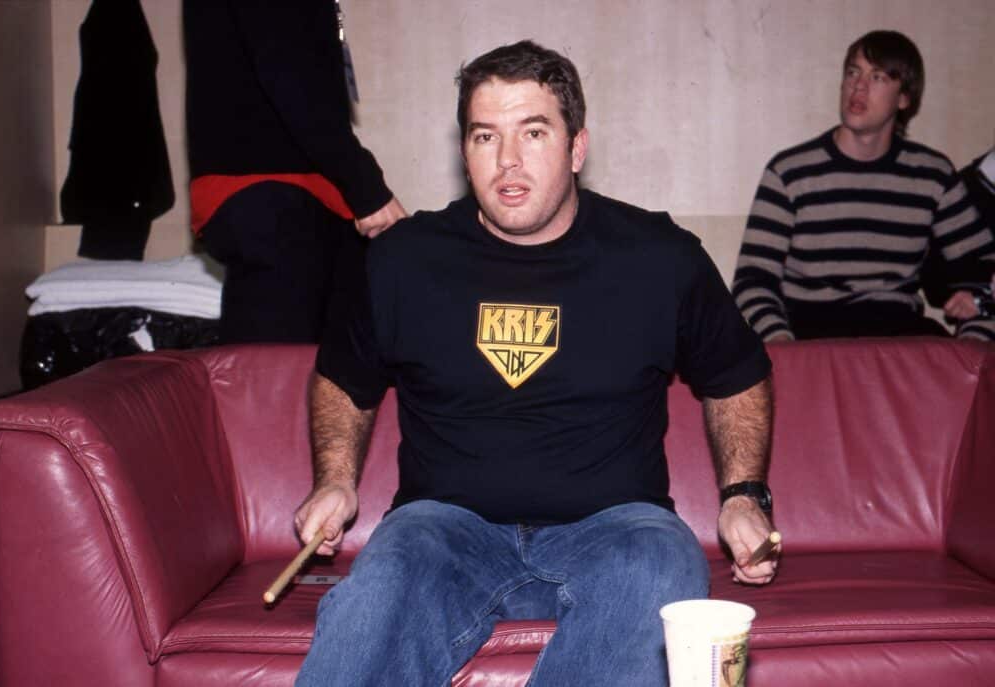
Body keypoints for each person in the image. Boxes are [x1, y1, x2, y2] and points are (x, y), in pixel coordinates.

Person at [293, 40, 777, 687]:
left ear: (577, 147)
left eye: (533, 132)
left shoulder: (658, 257)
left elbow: (736, 375)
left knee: (665, 559)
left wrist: (743, 494)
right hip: (443, 528)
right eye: (485, 136)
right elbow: (342, 380)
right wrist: (335, 477)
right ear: (463, 150)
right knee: (383, 577)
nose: (508, 161)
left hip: (617, 529)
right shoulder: (401, 259)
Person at [732, 30, 995, 342]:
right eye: (853, 72)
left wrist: (973, 347)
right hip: (808, 333)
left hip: (897, 333)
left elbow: (986, 271)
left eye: (878, 77)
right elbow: (752, 281)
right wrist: (780, 343)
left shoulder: (934, 175)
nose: (858, 86)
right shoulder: (790, 172)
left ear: (904, 98)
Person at [183, 0, 406, 344]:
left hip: (292, 193)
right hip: (270, 193)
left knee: (318, 377)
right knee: (273, 381)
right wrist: (366, 188)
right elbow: (289, 73)